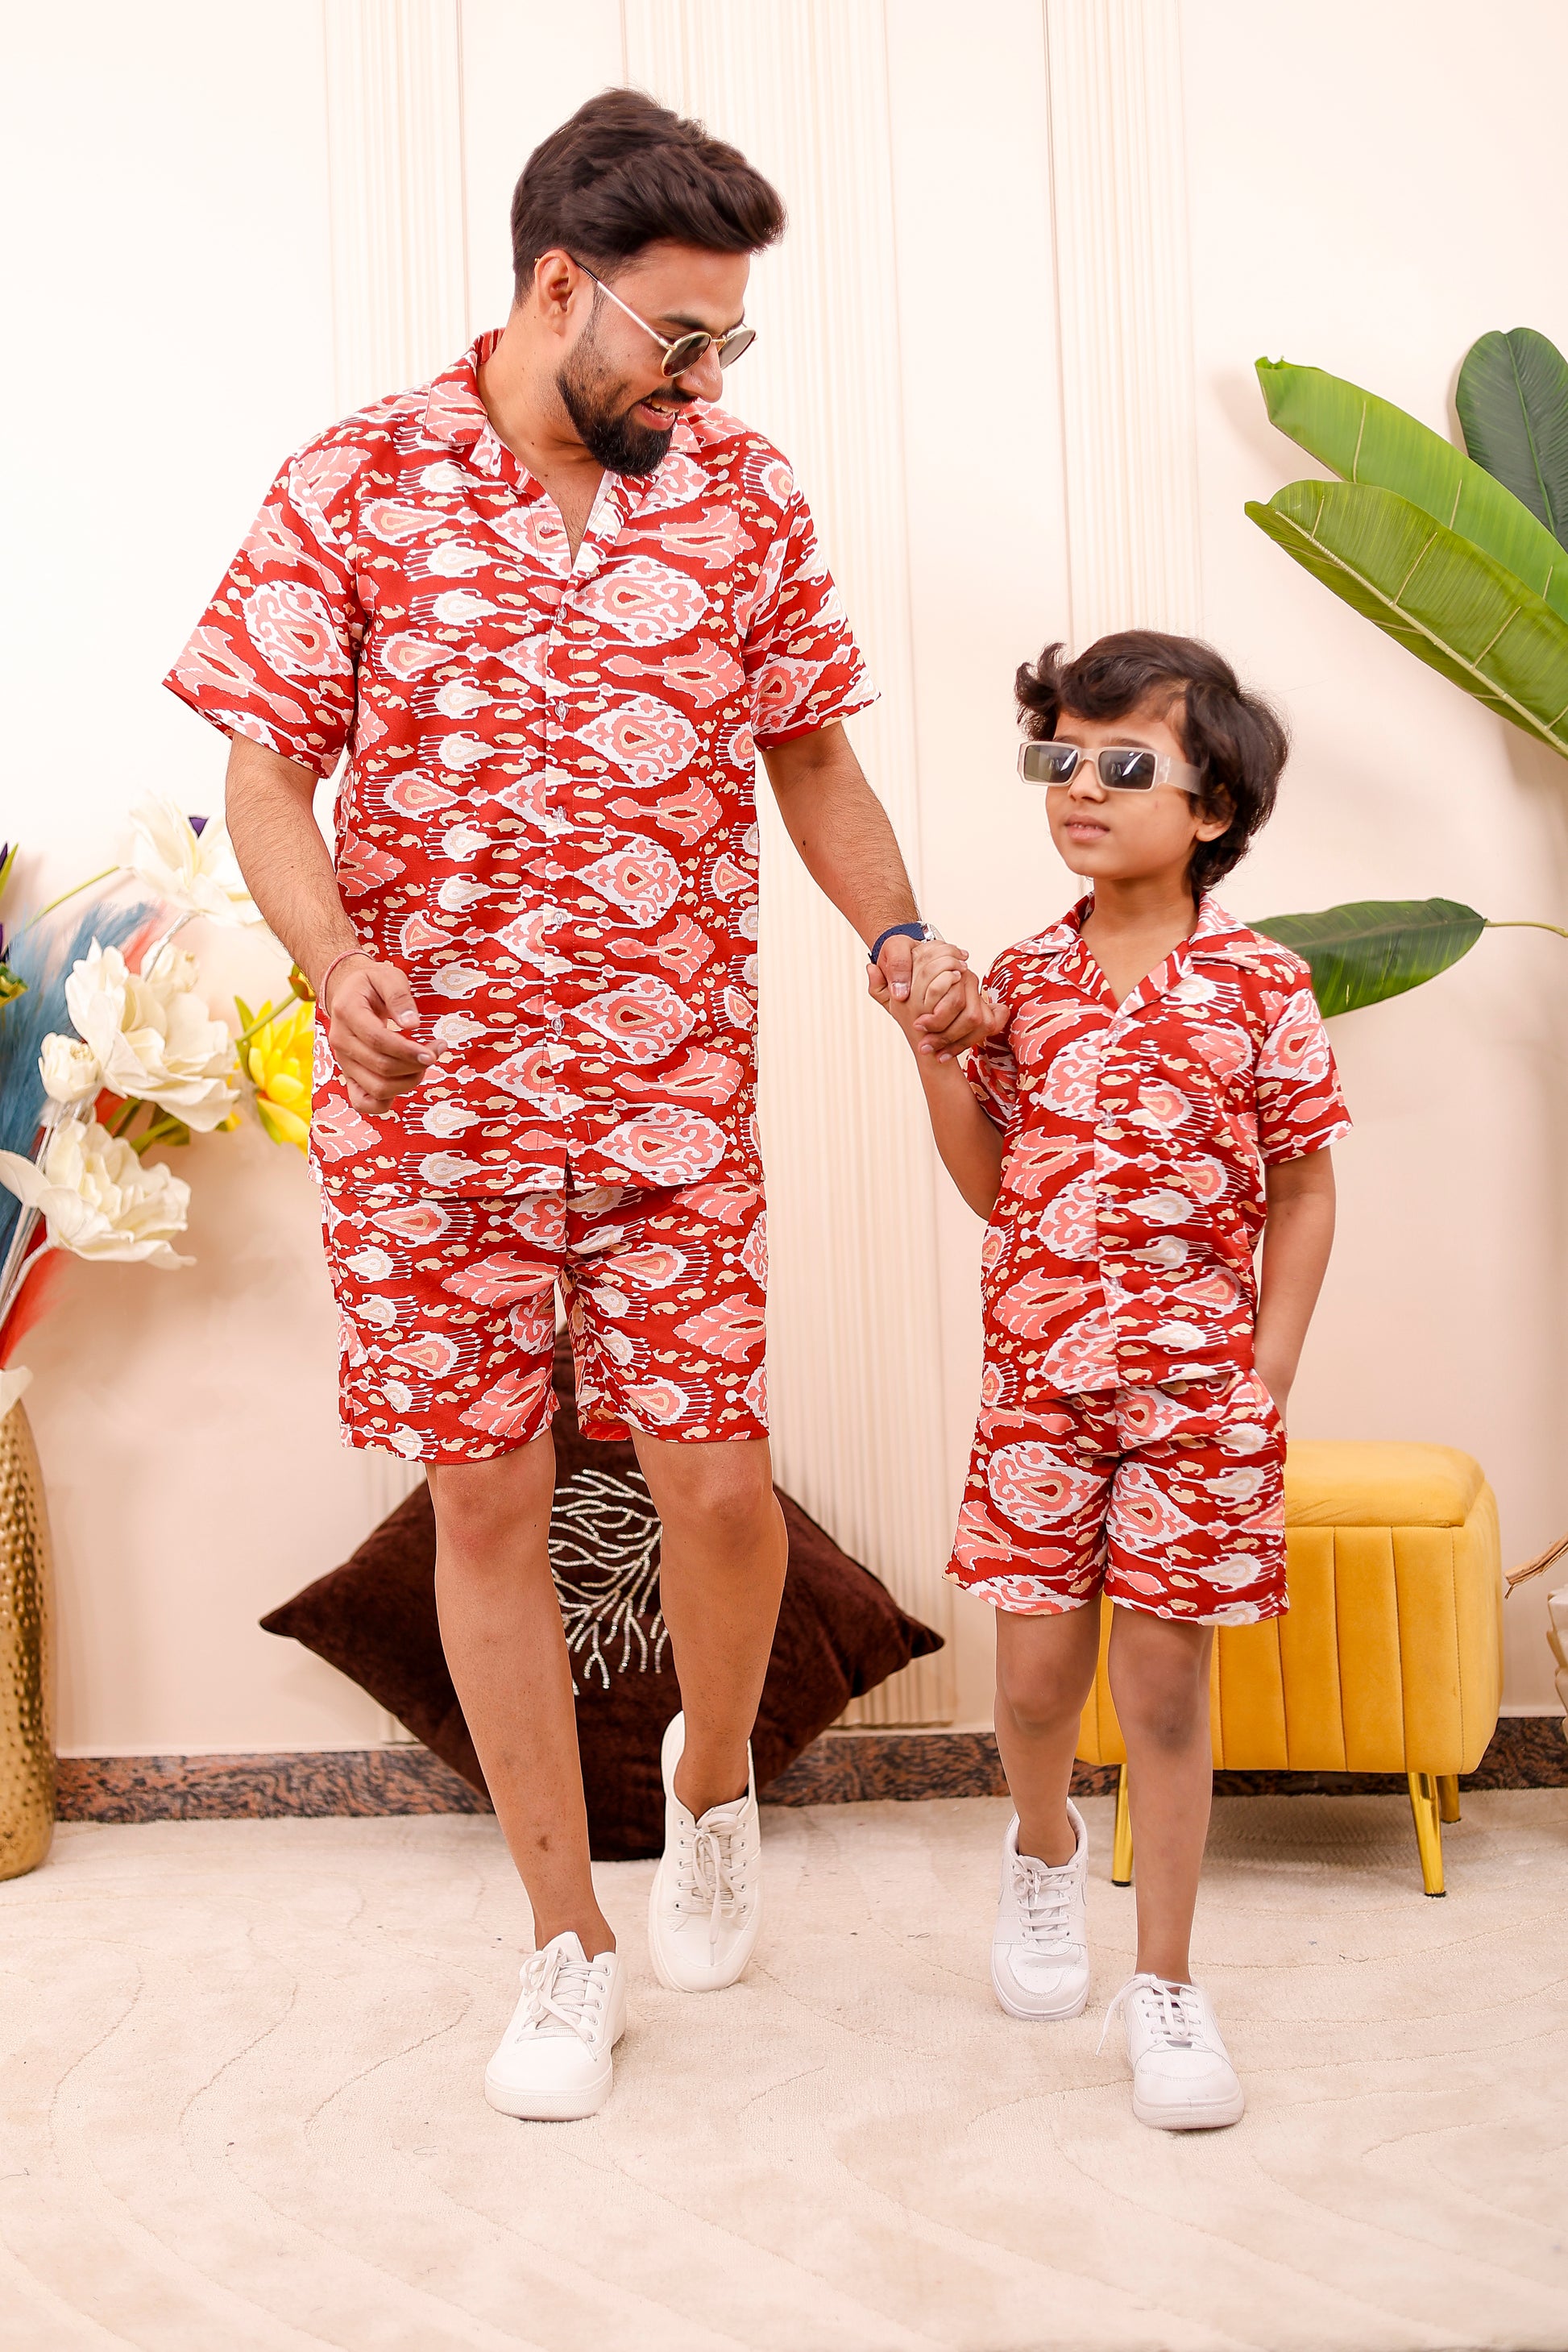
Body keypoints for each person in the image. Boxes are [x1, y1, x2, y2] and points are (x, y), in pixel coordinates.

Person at [164, 87, 987, 2122]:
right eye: (682, 339)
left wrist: (900, 946)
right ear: (558, 288)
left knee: (714, 1486)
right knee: (490, 1507)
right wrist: (328, 953)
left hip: (669, 1102)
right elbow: (269, 768)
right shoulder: (355, 482)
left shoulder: (744, 495)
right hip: (431, 1113)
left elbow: (809, 756)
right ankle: (563, 1940)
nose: (706, 380)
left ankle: (712, 1781)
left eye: (730, 347)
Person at [873, 630, 1348, 2130]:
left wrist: (1264, 1372)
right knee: (1029, 1681)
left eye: (1121, 764)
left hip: (1199, 1394)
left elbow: (1305, 1187)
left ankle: (1166, 1983)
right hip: (1040, 1383)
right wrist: (932, 1052)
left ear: (1210, 808)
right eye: (1055, 759)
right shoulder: (1018, 983)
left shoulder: (1261, 986)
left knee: (1159, 1686)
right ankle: (1039, 1855)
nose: (1079, 788)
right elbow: (991, 1185)